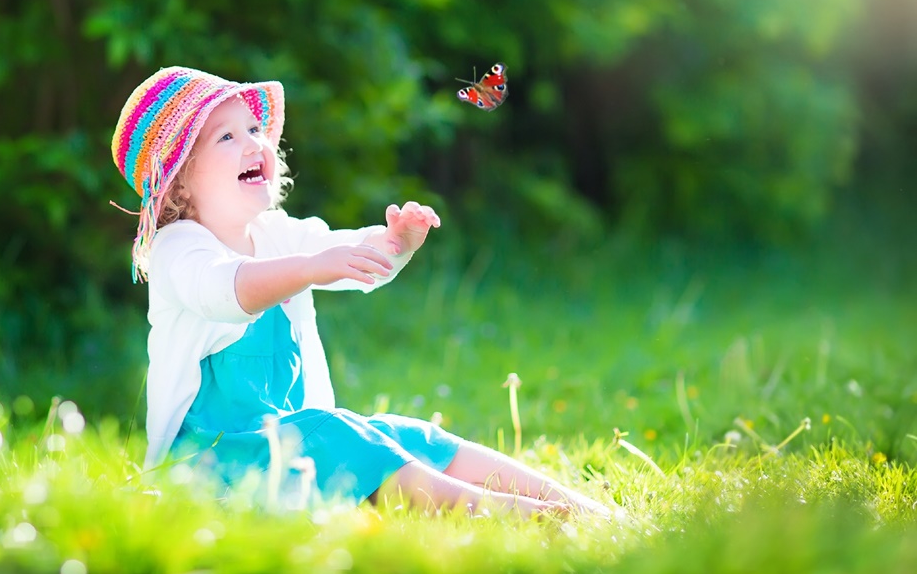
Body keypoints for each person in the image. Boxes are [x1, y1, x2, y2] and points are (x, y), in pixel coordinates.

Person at [111, 66, 609, 519]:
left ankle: (580, 507)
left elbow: (347, 253)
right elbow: (224, 290)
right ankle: (519, 516)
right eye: (226, 136)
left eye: (254, 130)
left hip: (286, 447)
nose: (253, 144)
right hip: (208, 466)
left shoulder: (276, 234)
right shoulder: (179, 248)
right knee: (337, 432)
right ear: (178, 186)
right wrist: (308, 269)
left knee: (406, 434)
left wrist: (395, 242)